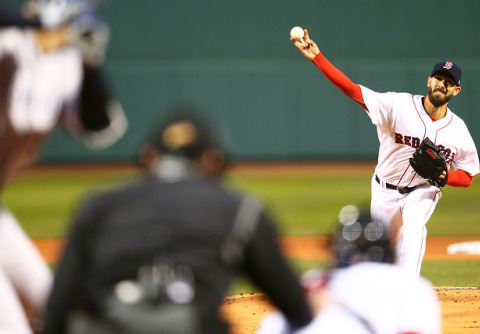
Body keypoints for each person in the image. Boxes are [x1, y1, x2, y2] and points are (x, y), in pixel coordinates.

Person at [43, 107, 313, 334]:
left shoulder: (97, 206)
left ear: (148, 156)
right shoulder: (240, 207)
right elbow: (297, 308)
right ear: (213, 160)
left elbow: (55, 315)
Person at [291, 29, 480, 275]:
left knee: (414, 228)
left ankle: (408, 289)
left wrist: (446, 177)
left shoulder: (458, 130)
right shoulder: (397, 106)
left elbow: (467, 175)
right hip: (383, 189)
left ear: (456, 91)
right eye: (439, 78)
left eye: (449, 82)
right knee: (380, 246)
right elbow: (351, 89)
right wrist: (318, 57)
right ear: (428, 81)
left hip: (423, 189)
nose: (442, 84)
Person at [0, 1, 127, 333]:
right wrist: (37, 23)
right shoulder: (8, 44)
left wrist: (89, 63)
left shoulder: (65, 64)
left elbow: (98, 125)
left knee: (57, 310)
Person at [258, 205, 442, 334]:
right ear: (389, 251)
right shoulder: (412, 288)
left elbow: (273, 327)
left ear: (337, 252)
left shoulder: (312, 284)